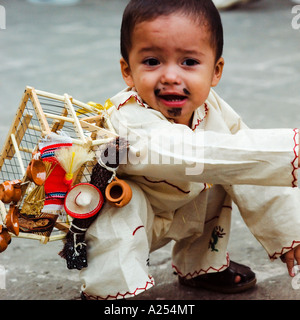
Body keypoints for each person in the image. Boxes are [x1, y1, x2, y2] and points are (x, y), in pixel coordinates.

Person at [79, 0, 300, 300]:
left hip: (184, 204)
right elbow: (187, 151)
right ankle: (112, 292)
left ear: (215, 71)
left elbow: (247, 165)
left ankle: (202, 266)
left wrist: (290, 232)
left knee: (223, 177)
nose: (171, 76)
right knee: (122, 210)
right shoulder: (128, 116)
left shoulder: (212, 109)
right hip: (140, 212)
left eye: (189, 62)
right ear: (127, 71)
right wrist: (291, 149)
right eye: (152, 61)